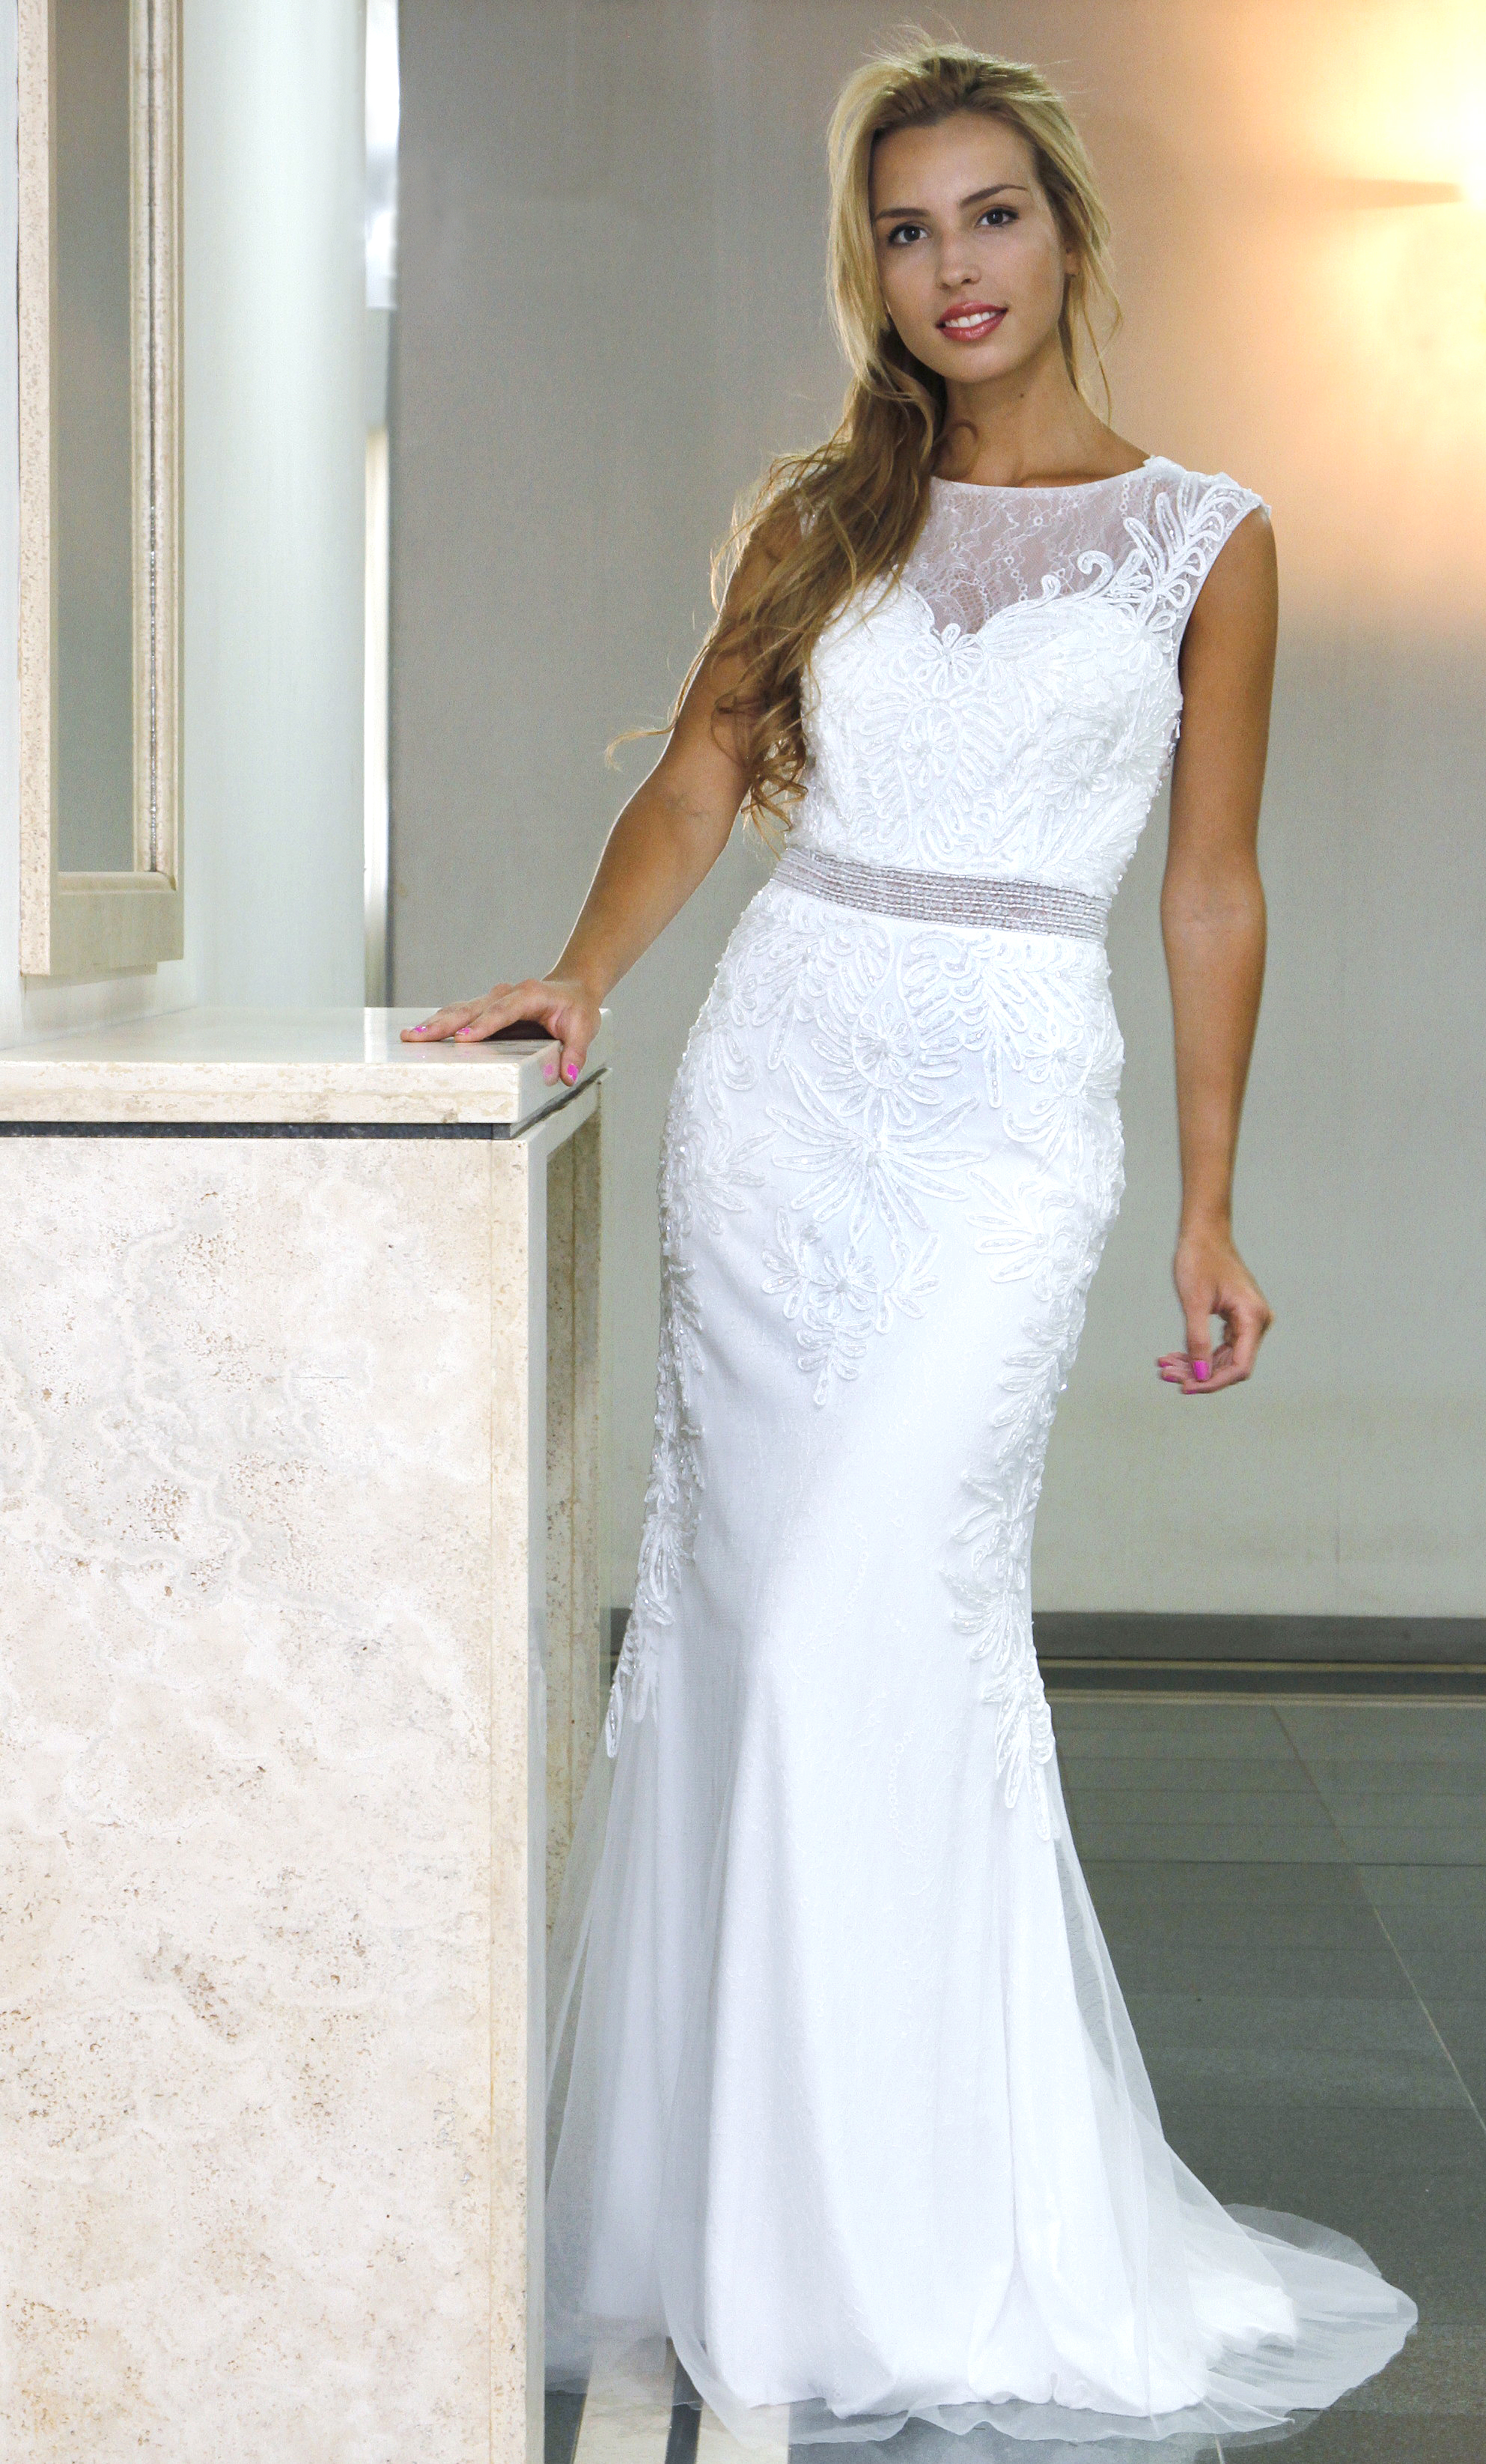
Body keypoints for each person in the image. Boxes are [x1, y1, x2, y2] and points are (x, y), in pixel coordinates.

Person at [407, 37, 1414, 2452]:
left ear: (1066, 233)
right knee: (756, 1638)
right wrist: (585, 973)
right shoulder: (820, 515)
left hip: (999, 1127)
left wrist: (1205, 1197)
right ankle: (741, 2220)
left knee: (876, 1622)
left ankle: (912, 2229)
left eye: (988, 215)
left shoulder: (1206, 540)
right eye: (903, 229)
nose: (951, 266)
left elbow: (1208, 885)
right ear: (867, 268)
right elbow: (696, 773)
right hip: (781, 1089)